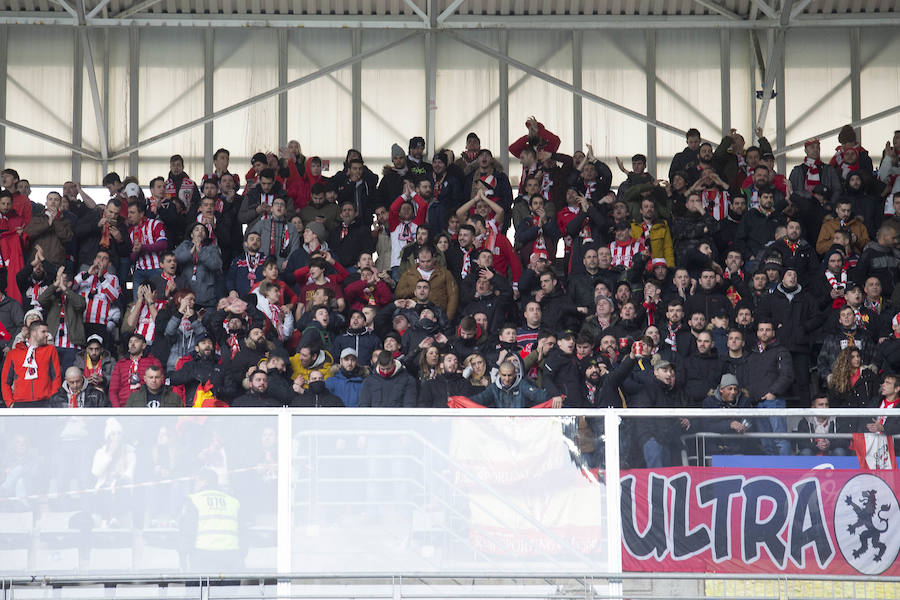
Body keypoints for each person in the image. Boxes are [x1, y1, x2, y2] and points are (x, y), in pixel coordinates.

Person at [182, 468, 245, 572]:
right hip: (231, 557)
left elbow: (187, 531)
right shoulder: (233, 501)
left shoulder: (194, 500)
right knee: (227, 589)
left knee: (198, 588)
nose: (193, 484)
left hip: (203, 556)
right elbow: (243, 531)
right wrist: (241, 555)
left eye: (196, 481)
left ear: (204, 481)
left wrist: (184, 557)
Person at [746, 320, 793, 456]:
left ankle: (786, 471)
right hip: (757, 403)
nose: (764, 332)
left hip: (774, 401)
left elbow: (787, 375)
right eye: (761, 330)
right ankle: (773, 475)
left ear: (773, 333)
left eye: (767, 330)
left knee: (780, 440)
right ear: (757, 333)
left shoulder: (781, 351)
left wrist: (773, 392)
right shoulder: (753, 354)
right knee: (766, 443)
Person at [1, 321, 62, 407]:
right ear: (33, 333)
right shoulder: (13, 354)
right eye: (43, 332)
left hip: (45, 402)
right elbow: (5, 381)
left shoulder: (51, 350)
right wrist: (10, 403)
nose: (47, 334)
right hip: (20, 403)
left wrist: (53, 400)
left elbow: (56, 377)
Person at [109, 332, 163, 408]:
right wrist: (118, 410)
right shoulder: (120, 364)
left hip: (146, 405)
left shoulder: (153, 361)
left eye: (136, 341)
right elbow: (113, 390)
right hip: (124, 405)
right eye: (130, 342)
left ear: (144, 345)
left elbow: (160, 385)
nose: (132, 344)